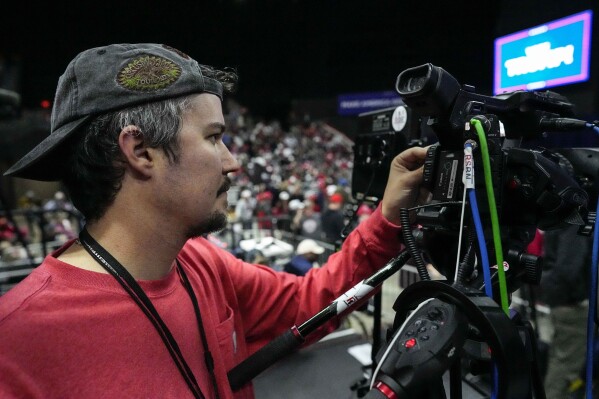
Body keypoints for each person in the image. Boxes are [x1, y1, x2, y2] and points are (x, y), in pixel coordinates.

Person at [0, 43, 429, 398]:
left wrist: (388, 217)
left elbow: (310, 303)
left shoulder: (201, 262)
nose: (233, 162)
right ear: (140, 150)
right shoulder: (18, 342)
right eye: (213, 137)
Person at [539, 224, 592, 399]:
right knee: (566, 367)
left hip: (563, 302)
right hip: (573, 306)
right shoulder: (576, 223)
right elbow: (568, 268)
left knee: (561, 359)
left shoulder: (562, 217)